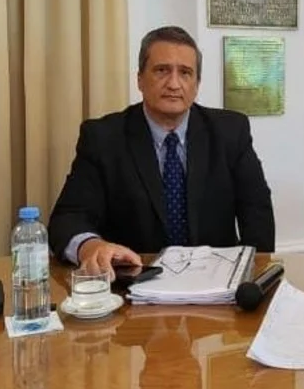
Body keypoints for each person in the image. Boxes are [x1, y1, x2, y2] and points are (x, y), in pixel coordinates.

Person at [49, 26, 276, 272]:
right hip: (133, 280)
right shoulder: (103, 138)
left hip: (214, 280)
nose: (174, 84)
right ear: (139, 79)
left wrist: (250, 276)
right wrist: (90, 247)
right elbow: (67, 219)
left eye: (185, 73)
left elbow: (257, 213)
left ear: (197, 84)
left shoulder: (230, 132)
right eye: (161, 71)